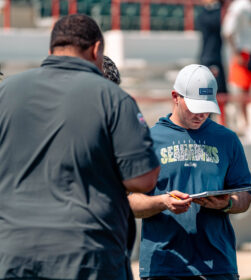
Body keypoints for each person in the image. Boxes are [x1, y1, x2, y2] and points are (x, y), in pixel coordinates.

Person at [0, 14, 160, 279]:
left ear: (51, 49)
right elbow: (143, 179)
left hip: (13, 254)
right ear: (96, 50)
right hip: (85, 255)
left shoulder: (7, 92)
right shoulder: (113, 98)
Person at [128, 64, 251, 280]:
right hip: (164, 265)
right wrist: (163, 202)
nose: (201, 114)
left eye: (206, 107)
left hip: (218, 265)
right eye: (194, 107)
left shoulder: (227, 139)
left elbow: (245, 196)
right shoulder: (149, 140)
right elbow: (130, 203)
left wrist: (227, 202)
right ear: (175, 97)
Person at [222, 0, 251, 138]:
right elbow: (228, 31)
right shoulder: (239, 6)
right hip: (244, 51)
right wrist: (236, 53)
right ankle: (247, 125)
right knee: (244, 91)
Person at [197, 0, 228, 95]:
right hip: (209, 57)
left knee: (216, 91)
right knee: (207, 91)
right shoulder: (208, 13)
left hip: (213, 58)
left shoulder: (216, 14)